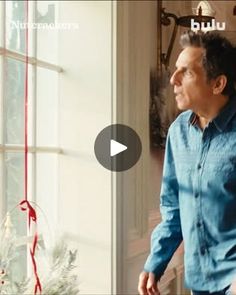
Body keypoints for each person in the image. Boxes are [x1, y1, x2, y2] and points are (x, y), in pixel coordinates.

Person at [138, 30, 236, 295]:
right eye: (175, 70)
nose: (173, 79)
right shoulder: (178, 132)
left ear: (218, 84)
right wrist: (155, 262)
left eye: (186, 72)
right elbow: (173, 208)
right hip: (199, 281)